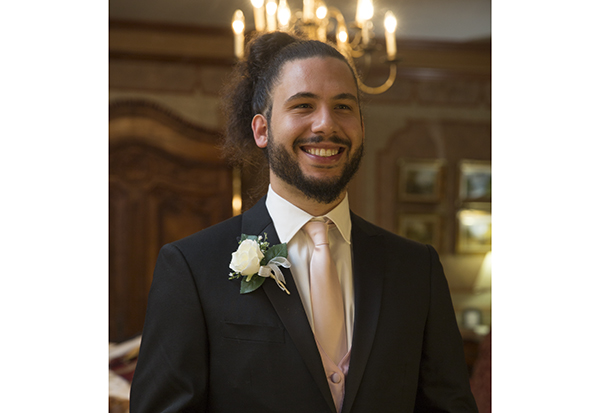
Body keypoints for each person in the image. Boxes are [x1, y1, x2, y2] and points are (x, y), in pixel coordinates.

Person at [129, 31, 477, 413]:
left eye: (343, 106)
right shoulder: (191, 267)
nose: (326, 124)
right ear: (262, 130)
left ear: (362, 126)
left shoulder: (416, 268)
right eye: (303, 106)